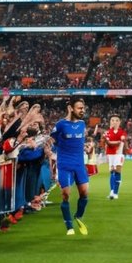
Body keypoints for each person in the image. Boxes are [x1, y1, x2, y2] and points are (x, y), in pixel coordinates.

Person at [49, 96, 92, 236]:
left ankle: (78, 216)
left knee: (85, 193)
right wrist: (51, 154)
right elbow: (51, 141)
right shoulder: (61, 125)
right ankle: (69, 226)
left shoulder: (82, 124)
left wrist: (85, 147)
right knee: (66, 194)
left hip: (79, 164)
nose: (82, 110)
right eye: (79, 108)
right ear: (70, 108)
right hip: (65, 164)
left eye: (83, 108)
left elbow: (78, 142)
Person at [102, 115, 128, 199]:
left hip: (119, 154)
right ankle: (112, 191)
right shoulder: (107, 132)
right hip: (110, 155)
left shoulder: (122, 132)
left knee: (117, 171)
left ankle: (115, 193)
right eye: (112, 120)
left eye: (116, 120)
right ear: (110, 122)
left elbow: (119, 142)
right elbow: (109, 143)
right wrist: (116, 142)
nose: (114, 122)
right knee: (112, 172)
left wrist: (111, 142)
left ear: (119, 122)